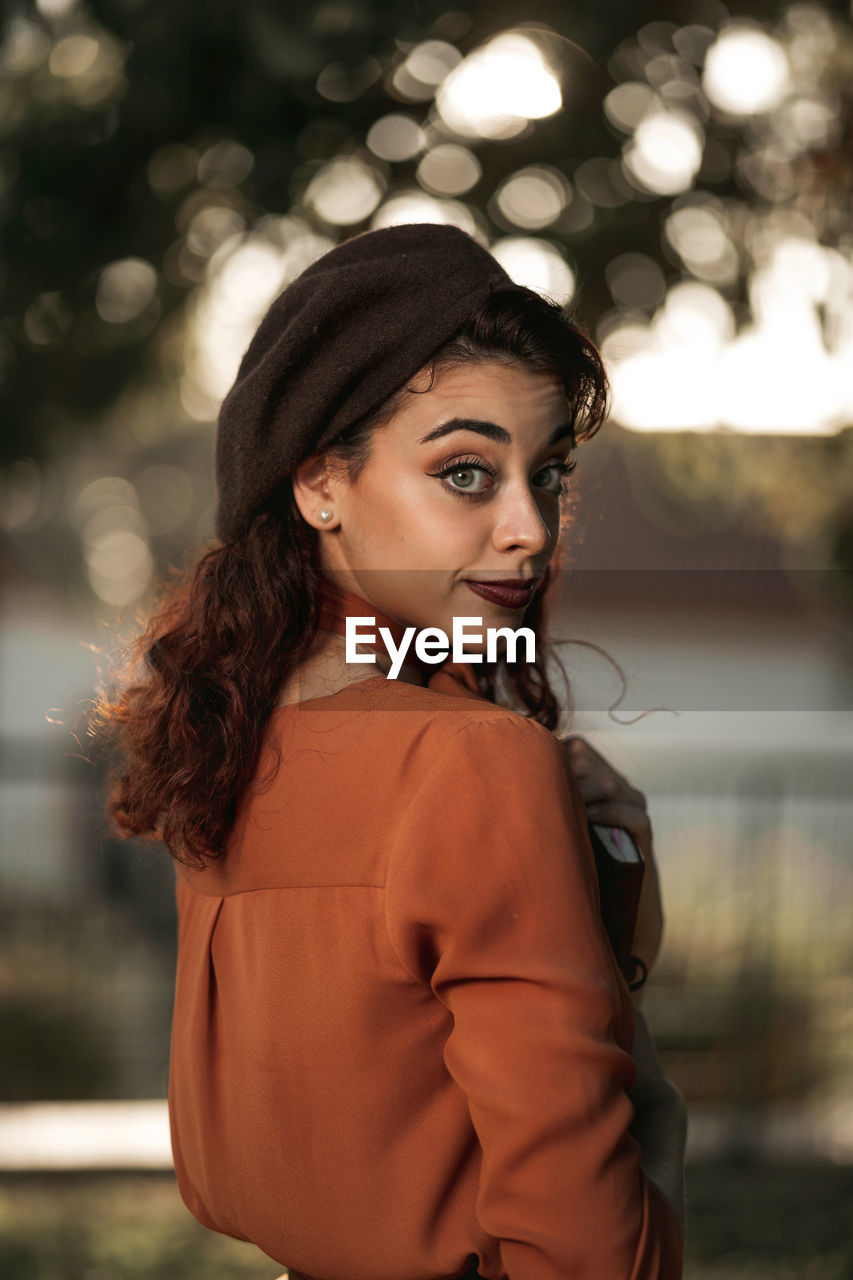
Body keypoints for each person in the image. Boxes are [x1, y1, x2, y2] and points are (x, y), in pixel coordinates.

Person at [98, 222, 687, 1279]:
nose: (529, 529)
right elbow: (587, 1243)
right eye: (465, 472)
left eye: (545, 474)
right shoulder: (472, 762)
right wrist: (618, 933)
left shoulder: (227, 741)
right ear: (318, 482)